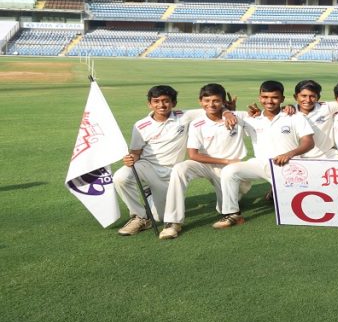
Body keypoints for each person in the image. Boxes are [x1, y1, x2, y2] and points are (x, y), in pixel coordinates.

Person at [215, 81, 314, 229]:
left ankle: (275, 192)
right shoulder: (251, 119)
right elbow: (220, 111)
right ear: (260, 97)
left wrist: (289, 154)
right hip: (260, 164)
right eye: (265, 97)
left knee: (304, 207)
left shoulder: (294, 117)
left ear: (282, 98)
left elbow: (308, 142)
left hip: (288, 165)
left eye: (274, 97)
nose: (269, 101)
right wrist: (227, 111)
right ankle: (232, 213)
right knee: (230, 171)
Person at [113, 85, 207, 236]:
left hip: (172, 173)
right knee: (120, 177)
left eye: (166, 101)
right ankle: (139, 217)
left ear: (173, 103)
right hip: (147, 166)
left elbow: (211, 109)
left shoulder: (184, 116)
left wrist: (228, 111)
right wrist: (131, 158)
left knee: (160, 217)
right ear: (149, 104)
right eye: (156, 101)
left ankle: (150, 196)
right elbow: (136, 152)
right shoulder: (140, 125)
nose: (161, 105)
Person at [162, 83, 246, 239]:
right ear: (200, 102)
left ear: (223, 101)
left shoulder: (238, 117)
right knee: (180, 168)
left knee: (225, 208)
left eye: (216, 101)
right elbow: (193, 155)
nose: (211, 104)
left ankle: (237, 194)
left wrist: (229, 112)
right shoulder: (197, 123)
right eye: (207, 101)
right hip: (208, 164)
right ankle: (172, 223)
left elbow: (266, 114)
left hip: (230, 170)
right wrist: (226, 160)